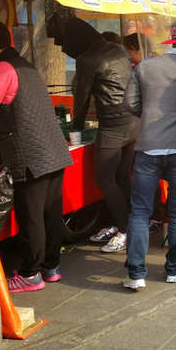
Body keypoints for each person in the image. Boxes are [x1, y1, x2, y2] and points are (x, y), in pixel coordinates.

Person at [0, 20, 72, 292]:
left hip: (31, 153)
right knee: (50, 214)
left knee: (30, 216)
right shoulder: (25, 65)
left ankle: (30, 274)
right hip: (54, 151)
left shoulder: (3, 67)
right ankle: (51, 268)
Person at [122, 20, 176, 290]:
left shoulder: (145, 66)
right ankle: (174, 270)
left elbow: (131, 103)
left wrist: (148, 118)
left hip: (148, 147)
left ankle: (136, 274)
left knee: (140, 212)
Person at [68, 21, 139, 254]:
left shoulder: (87, 59)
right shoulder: (118, 49)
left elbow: (81, 97)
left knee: (105, 179)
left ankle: (124, 229)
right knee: (122, 176)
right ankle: (128, 225)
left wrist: (75, 129)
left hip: (113, 125)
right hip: (134, 122)